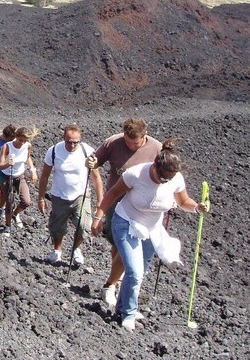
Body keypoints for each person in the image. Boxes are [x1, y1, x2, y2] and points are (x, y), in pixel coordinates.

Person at [90, 138, 209, 331]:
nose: (164, 182)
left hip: (152, 229)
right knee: (134, 272)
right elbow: (111, 195)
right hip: (126, 222)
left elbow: (183, 201)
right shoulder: (135, 174)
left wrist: (197, 208)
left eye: (168, 179)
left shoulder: (175, 179)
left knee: (140, 272)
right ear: (154, 166)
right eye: (162, 178)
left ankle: (122, 307)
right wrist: (98, 218)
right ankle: (128, 313)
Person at [87, 118, 162, 308]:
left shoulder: (156, 148)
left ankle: (115, 282)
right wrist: (91, 162)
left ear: (144, 137)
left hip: (142, 205)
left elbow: (166, 172)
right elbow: (96, 161)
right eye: (127, 142)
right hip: (116, 200)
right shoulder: (113, 142)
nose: (130, 146)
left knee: (128, 245)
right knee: (117, 242)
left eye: (134, 143)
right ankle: (118, 280)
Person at [38, 124, 104, 266]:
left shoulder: (87, 151)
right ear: (64, 138)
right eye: (69, 142)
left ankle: (76, 249)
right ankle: (57, 250)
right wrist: (41, 197)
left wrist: (100, 200)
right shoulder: (54, 151)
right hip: (59, 195)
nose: (72, 145)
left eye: (75, 142)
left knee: (84, 225)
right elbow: (44, 175)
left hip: (81, 195)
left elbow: (96, 176)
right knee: (57, 227)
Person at [0, 126, 40, 235]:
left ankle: (15, 214)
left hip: (20, 176)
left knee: (26, 201)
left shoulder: (27, 146)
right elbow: (1, 165)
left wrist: (33, 171)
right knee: (9, 201)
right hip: (6, 176)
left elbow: (27, 157)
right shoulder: (7, 147)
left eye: (25, 140)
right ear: (16, 137)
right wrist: (9, 163)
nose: (22, 143)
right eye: (21, 140)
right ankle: (7, 225)